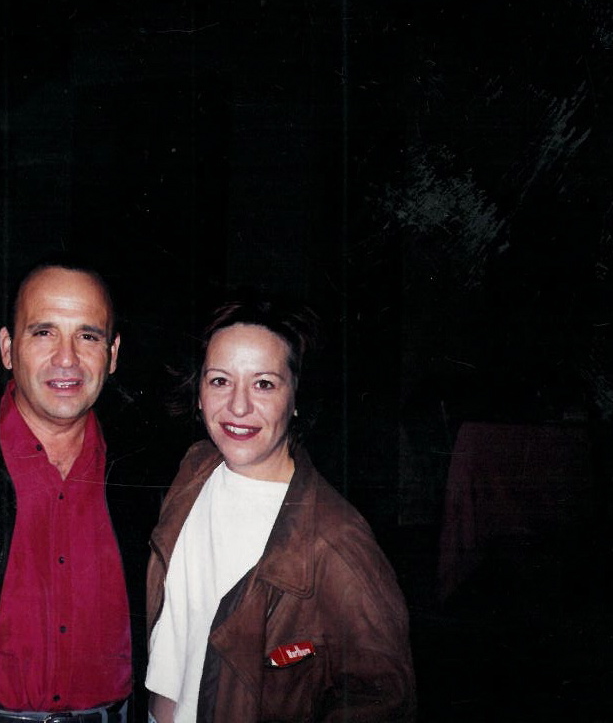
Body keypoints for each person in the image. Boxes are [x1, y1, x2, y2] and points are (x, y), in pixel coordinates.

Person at [145, 299, 416, 722]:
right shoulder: (194, 470)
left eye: (264, 384)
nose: (237, 406)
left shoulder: (336, 539)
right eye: (220, 381)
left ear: (295, 398)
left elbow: (383, 700)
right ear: (198, 393)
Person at [0, 258, 155, 723]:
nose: (66, 358)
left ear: (112, 354)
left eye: (87, 336)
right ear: (8, 348)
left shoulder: (149, 476)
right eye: (43, 332)